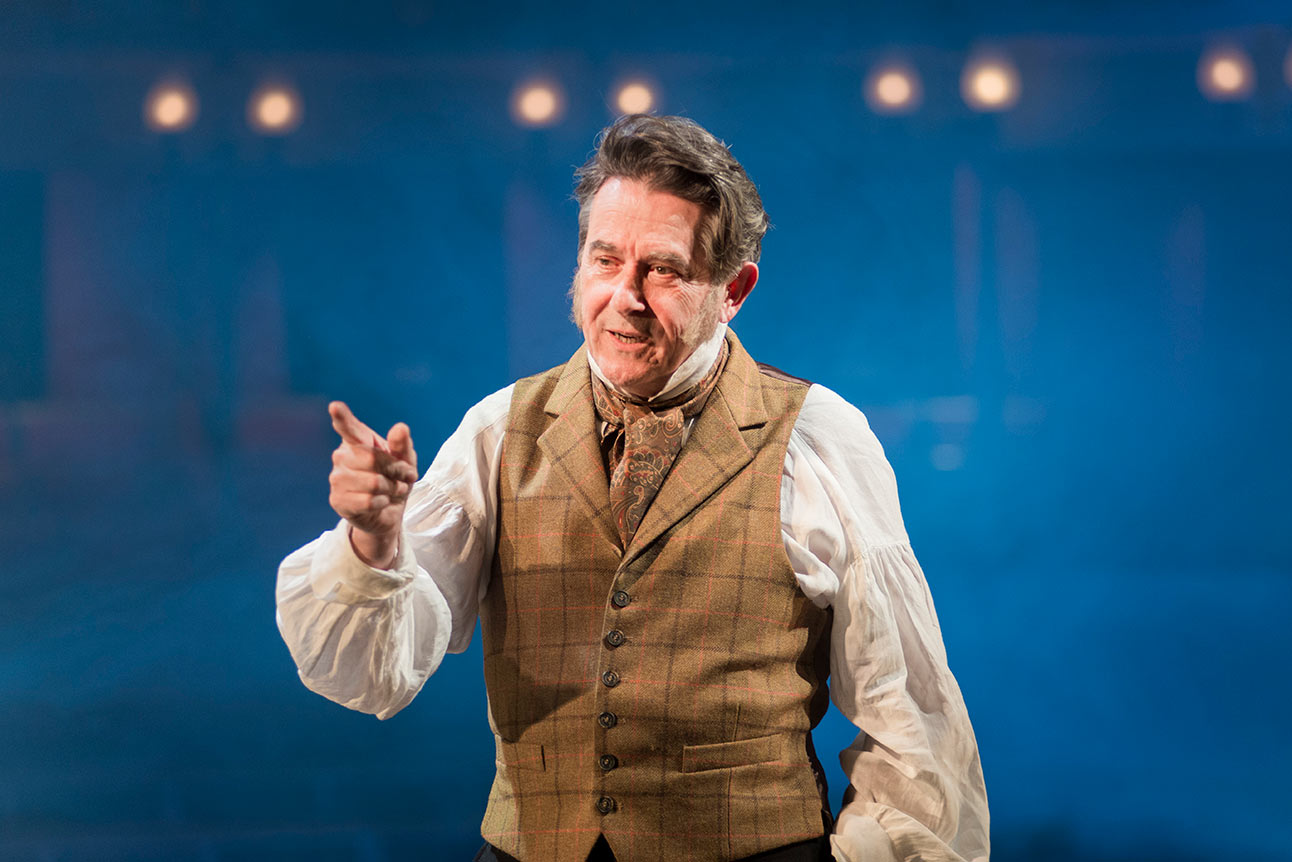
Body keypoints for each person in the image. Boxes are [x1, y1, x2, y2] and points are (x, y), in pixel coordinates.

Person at [276, 114, 989, 862]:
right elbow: (376, 676)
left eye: (664, 270)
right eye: (605, 259)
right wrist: (374, 541)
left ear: (733, 289)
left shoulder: (817, 435)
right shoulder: (498, 429)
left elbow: (911, 719)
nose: (625, 296)